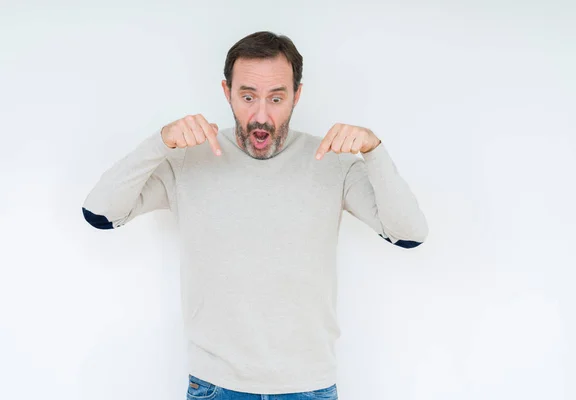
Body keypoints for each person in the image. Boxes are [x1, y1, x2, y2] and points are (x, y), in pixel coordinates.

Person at [82, 30, 428, 399]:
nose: (260, 116)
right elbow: (100, 213)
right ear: (226, 91)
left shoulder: (333, 161)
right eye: (247, 96)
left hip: (308, 387)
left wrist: (373, 150)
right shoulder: (187, 159)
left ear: (297, 95)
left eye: (276, 98)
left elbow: (409, 233)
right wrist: (160, 141)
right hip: (215, 386)